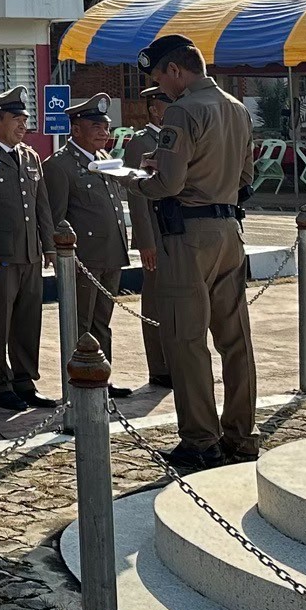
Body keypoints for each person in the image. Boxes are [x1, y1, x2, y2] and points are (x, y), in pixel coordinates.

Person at [137, 34, 258, 470]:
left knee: (186, 340)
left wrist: (133, 179)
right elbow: (245, 177)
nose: (160, 88)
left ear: (175, 70)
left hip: (188, 236)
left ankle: (200, 440)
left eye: (160, 78)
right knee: (235, 340)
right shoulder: (236, 108)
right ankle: (241, 435)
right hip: (229, 229)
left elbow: (167, 184)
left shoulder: (183, 110)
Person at [42, 93, 142, 400]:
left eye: (106, 126)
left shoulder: (104, 159)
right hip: (83, 258)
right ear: (76, 129)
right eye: (96, 126)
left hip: (110, 254)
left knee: (102, 323)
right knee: (81, 323)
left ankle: (101, 378)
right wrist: (58, 256)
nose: (104, 132)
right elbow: (56, 217)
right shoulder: (60, 165)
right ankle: (79, 385)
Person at [0, 85, 52, 412]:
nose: (23, 125)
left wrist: (48, 245)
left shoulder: (30, 156)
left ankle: (24, 380)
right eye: (17, 119)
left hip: (30, 253)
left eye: (25, 119)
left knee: (28, 321)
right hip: (0, 256)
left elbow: (41, 205)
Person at [121, 85, 173, 390]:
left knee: (175, 300)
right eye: (167, 103)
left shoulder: (173, 138)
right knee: (154, 301)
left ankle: (174, 360)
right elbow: (137, 196)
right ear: (154, 109)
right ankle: (159, 366)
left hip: (175, 230)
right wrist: (145, 242)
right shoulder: (141, 143)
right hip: (155, 233)